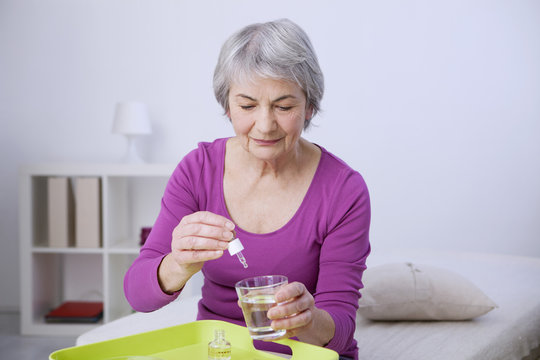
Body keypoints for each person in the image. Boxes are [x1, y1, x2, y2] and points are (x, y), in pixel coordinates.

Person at [124, 18, 370, 360]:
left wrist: (307, 320)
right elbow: (138, 295)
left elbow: (341, 326)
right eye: (247, 105)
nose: (266, 125)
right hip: (221, 352)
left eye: (284, 106)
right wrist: (177, 264)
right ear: (227, 105)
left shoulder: (343, 190)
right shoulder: (198, 171)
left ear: (309, 106)